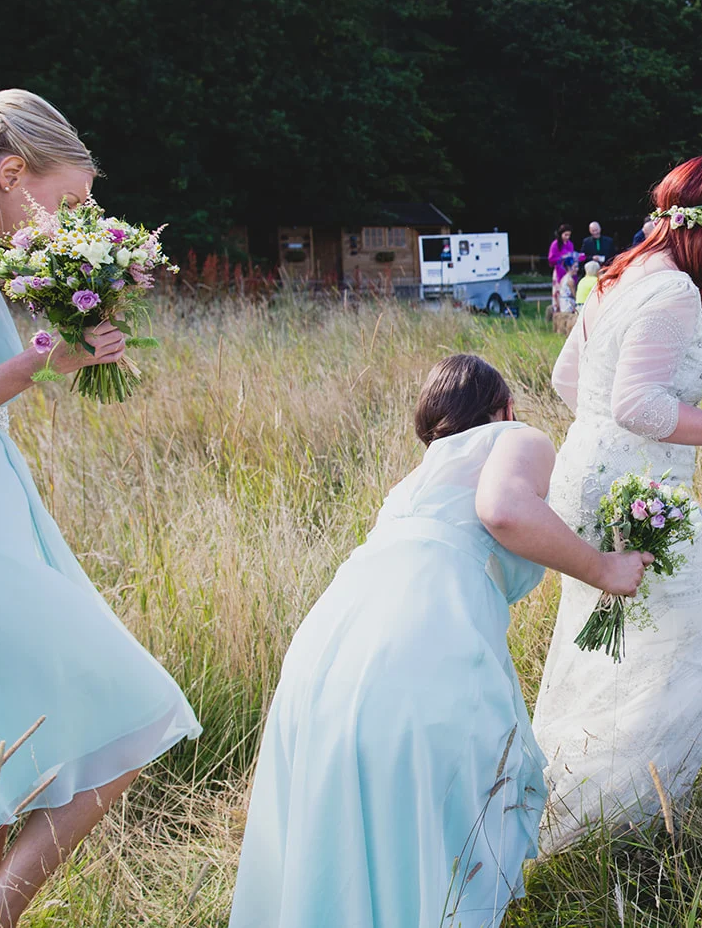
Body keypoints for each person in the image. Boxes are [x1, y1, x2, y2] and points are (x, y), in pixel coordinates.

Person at [230, 356, 649, 928]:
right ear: (504, 408)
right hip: (420, 646)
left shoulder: (417, 478)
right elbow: (502, 510)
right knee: (452, 820)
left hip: (326, 647)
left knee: (352, 828)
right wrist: (603, 568)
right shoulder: (516, 436)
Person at [0, 91, 201, 927]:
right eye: (73, 202)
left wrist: (63, 357)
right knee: (139, 705)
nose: (79, 221)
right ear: (14, 173)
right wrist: (40, 363)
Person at [534, 156, 702, 851]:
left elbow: (570, 380)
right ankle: (618, 811)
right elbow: (637, 403)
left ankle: (564, 796)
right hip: (633, 495)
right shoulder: (671, 293)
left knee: (612, 648)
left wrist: (607, 443)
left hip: (583, 477)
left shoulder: (615, 276)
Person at [547, 225, 584, 302]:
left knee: (571, 289)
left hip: (570, 270)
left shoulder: (570, 244)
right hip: (559, 271)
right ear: (561, 234)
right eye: (565, 235)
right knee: (560, 291)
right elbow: (551, 259)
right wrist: (563, 257)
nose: (567, 237)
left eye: (569, 235)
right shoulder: (555, 244)